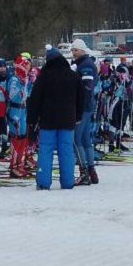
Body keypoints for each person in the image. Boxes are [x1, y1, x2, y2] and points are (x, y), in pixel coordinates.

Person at [26, 47, 84, 190]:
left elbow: (35, 99)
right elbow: (81, 99)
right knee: (66, 150)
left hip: (48, 120)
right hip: (68, 120)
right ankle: (68, 181)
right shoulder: (73, 76)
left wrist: (31, 119)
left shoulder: (44, 77)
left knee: (46, 150)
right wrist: (78, 116)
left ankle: (43, 182)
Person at [70, 38, 99, 185]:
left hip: (83, 107)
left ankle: (84, 172)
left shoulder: (85, 65)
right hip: (87, 106)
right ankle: (91, 170)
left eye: (75, 50)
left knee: (77, 140)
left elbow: (87, 87)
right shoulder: (83, 64)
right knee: (86, 140)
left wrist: (80, 108)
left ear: (82, 50)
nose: (73, 53)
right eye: (72, 50)